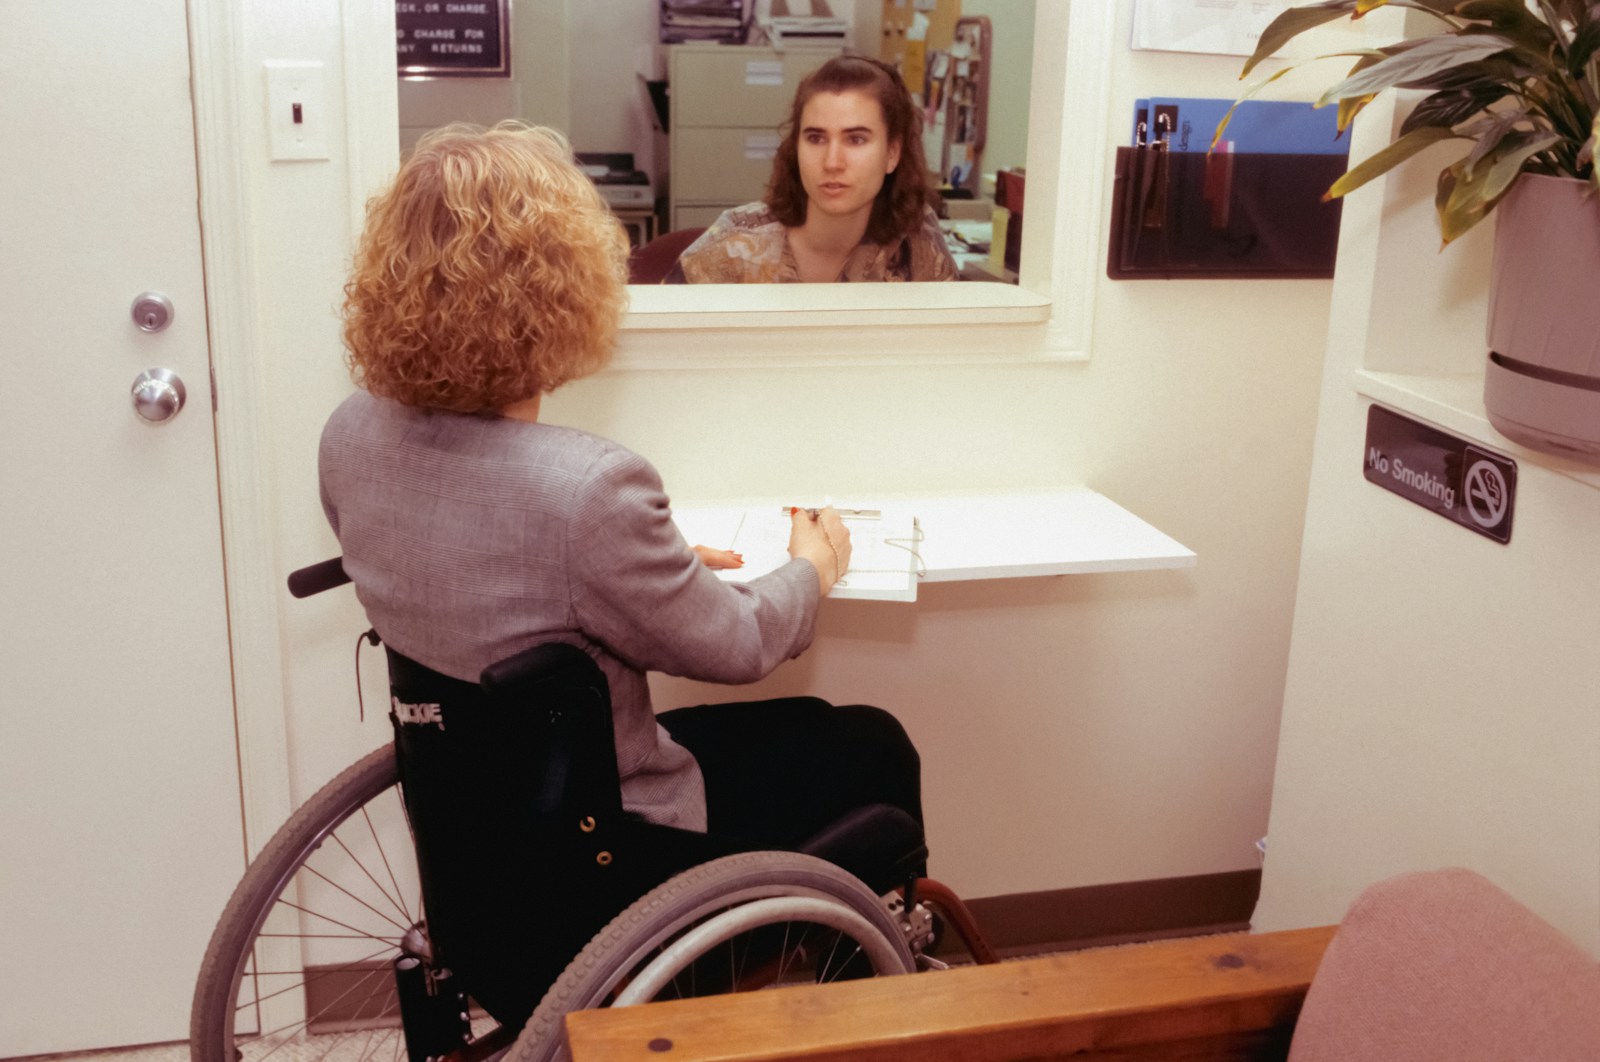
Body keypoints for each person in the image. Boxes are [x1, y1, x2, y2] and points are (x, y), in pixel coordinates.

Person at [321, 120, 922, 847]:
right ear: (562, 291)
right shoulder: (587, 491)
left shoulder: (351, 435)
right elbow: (739, 645)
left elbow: (465, 569)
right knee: (873, 742)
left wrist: (642, 567)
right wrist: (813, 567)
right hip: (604, 830)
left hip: (476, 815)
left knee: (816, 730)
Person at [669, 55, 958, 284]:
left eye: (856, 139)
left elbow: (951, 348)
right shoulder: (733, 247)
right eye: (816, 138)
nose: (832, 162)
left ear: (891, 154)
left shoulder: (913, 242)